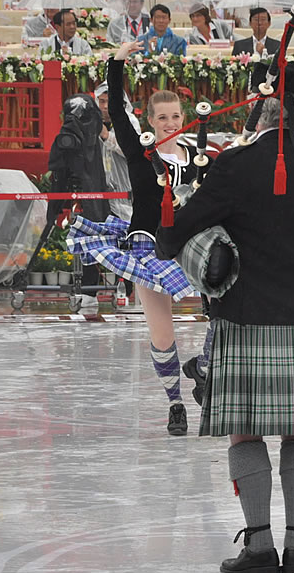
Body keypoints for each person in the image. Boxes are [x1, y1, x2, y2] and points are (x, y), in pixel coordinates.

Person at [155, 61, 294, 573]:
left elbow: (178, 230)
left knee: (245, 433)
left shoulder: (233, 167)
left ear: (255, 107)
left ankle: (259, 548)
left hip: (244, 315)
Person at [67, 40, 200, 436]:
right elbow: (121, 118)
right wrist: (117, 61)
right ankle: (175, 402)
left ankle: (204, 368)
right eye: (163, 117)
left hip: (191, 247)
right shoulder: (140, 150)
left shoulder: (195, 155)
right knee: (162, 333)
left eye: (176, 116)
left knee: (227, 310)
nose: (171, 123)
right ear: (151, 120)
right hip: (148, 248)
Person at [45, 94, 112, 309]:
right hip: (80, 191)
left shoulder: (111, 133)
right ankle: (89, 289)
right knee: (86, 236)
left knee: (103, 236)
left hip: (109, 192)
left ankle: (118, 287)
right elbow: (57, 170)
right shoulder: (66, 140)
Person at [94, 81, 137, 223]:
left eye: (110, 101)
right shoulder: (93, 121)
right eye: (102, 101)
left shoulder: (129, 121)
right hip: (100, 190)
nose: (105, 106)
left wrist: (107, 136)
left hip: (125, 190)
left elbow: (133, 150)